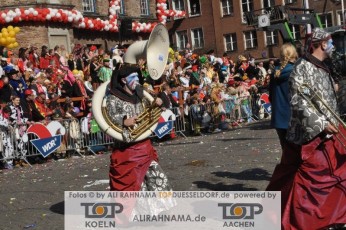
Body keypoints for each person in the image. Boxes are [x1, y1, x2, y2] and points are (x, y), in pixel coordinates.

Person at [267, 28, 346, 229]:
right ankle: (303, 219)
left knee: (335, 172)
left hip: (331, 131)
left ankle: (332, 216)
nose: (333, 46)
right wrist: (320, 123)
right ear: (321, 44)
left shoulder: (323, 67)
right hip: (310, 134)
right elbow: (298, 101)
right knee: (310, 179)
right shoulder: (302, 67)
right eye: (330, 42)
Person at [106, 65, 172, 192]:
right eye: (133, 77)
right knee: (133, 184)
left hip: (144, 146)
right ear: (124, 80)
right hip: (126, 148)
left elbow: (151, 112)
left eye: (137, 76)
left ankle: (160, 208)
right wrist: (124, 121)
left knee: (157, 180)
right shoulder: (113, 98)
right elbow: (109, 116)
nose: (136, 80)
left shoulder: (141, 95)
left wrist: (158, 103)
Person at [269, 43, 298, 151]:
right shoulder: (296, 70)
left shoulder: (275, 72)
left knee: (286, 150)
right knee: (297, 150)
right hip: (293, 115)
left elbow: (271, 96)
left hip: (279, 117)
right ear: (294, 54)